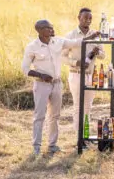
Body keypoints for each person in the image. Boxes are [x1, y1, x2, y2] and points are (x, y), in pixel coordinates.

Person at [21, 19, 100, 155]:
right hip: (41, 85)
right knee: (39, 116)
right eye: (49, 28)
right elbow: (25, 68)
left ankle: (52, 145)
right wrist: (41, 75)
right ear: (40, 30)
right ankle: (36, 147)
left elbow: (76, 42)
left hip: (57, 84)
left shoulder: (58, 41)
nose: (52, 30)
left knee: (55, 116)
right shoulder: (32, 47)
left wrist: (91, 37)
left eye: (52, 27)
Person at [61, 8, 105, 149]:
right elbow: (62, 56)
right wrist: (76, 62)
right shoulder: (71, 35)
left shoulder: (95, 35)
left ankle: (85, 136)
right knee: (78, 107)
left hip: (91, 76)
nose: (88, 20)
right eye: (85, 18)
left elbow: (103, 55)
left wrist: (97, 52)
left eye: (90, 18)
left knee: (88, 108)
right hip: (76, 74)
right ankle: (79, 139)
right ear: (78, 17)